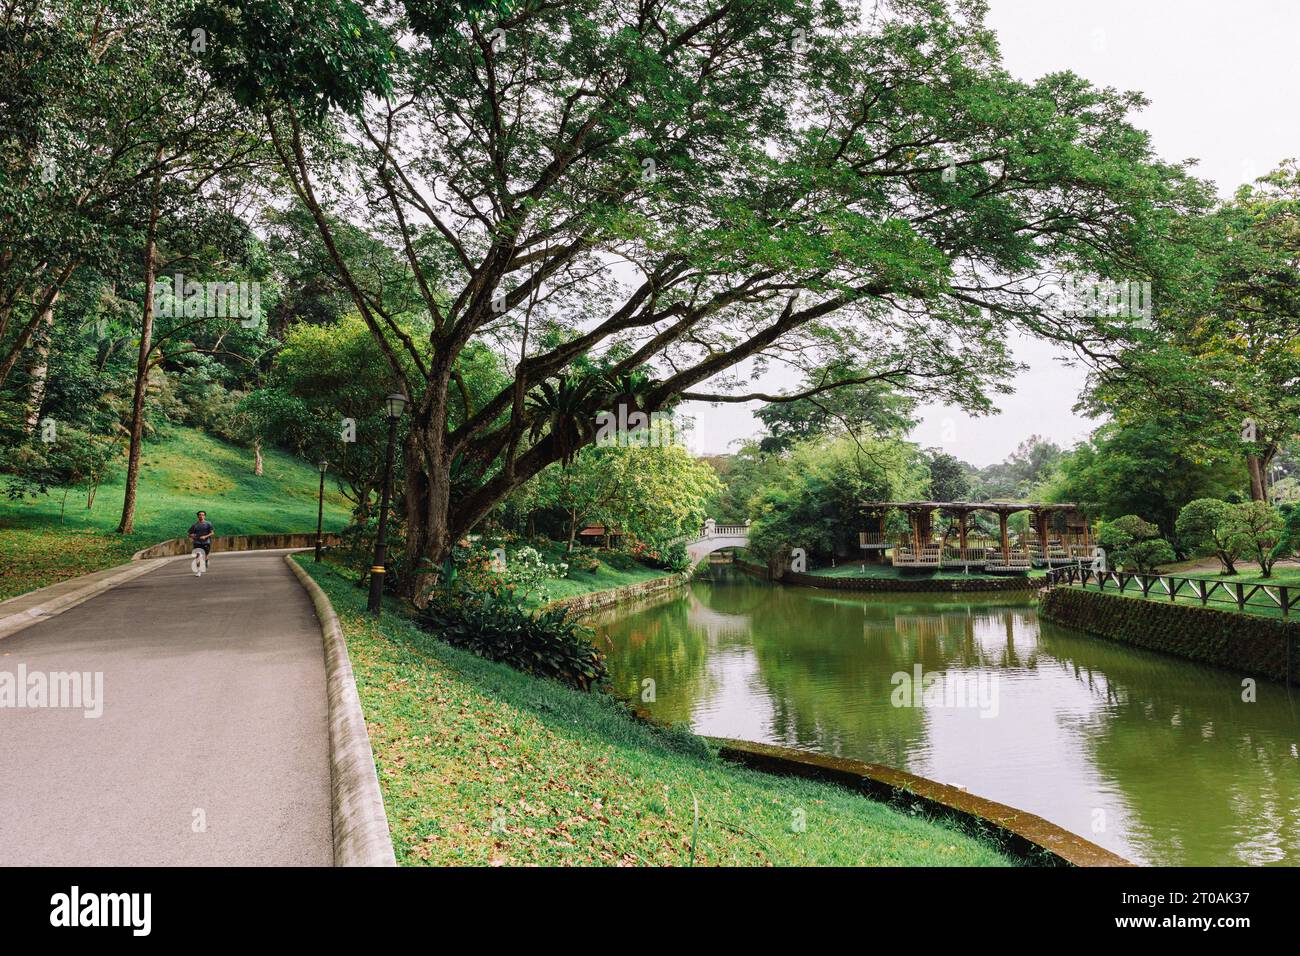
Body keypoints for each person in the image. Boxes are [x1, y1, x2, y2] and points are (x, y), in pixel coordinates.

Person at [188, 510, 214, 576]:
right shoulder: (194, 525)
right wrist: (191, 536)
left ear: (204, 516)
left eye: (202, 515)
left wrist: (205, 536)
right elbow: (189, 534)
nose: (201, 516)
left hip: (206, 542)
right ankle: (199, 571)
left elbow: (212, 533)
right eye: (200, 515)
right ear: (198, 516)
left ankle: (206, 560)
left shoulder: (208, 524)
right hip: (197, 542)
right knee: (198, 556)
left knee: (206, 556)